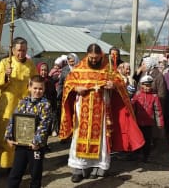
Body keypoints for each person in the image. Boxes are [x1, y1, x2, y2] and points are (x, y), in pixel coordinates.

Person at [59, 43, 144, 183]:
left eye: (96, 58)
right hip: (83, 111)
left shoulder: (108, 68)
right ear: (87, 55)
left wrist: (114, 85)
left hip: (102, 110)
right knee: (79, 137)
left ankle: (99, 167)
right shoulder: (80, 67)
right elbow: (68, 83)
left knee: (102, 139)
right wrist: (76, 88)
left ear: (101, 56)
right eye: (91, 58)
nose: (93, 60)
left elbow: (120, 83)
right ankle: (78, 169)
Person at [0, 37, 38, 176]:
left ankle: (15, 166)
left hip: (23, 106)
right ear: (13, 50)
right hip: (7, 106)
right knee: (1, 136)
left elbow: (36, 83)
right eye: (18, 50)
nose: (21, 53)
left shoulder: (31, 65)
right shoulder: (5, 63)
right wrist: (5, 75)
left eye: (23, 50)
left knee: (20, 136)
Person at [5, 75, 52, 188]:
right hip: (20, 145)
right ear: (29, 87)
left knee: (35, 175)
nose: (37, 91)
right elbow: (13, 119)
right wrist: (8, 136)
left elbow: (44, 125)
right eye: (35, 88)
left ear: (44, 89)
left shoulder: (45, 105)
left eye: (40, 88)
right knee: (15, 173)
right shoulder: (22, 102)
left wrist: (37, 141)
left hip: (36, 147)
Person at [131, 75, 164, 163]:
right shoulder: (137, 94)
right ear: (141, 85)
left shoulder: (154, 96)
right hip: (138, 122)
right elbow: (132, 107)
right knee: (137, 138)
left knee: (147, 140)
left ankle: (146, 156)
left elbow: (158, 110)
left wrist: (160, 123)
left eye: (149, 85)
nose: (147, 87)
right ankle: (136, 154)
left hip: (148, 122)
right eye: (145, 85)